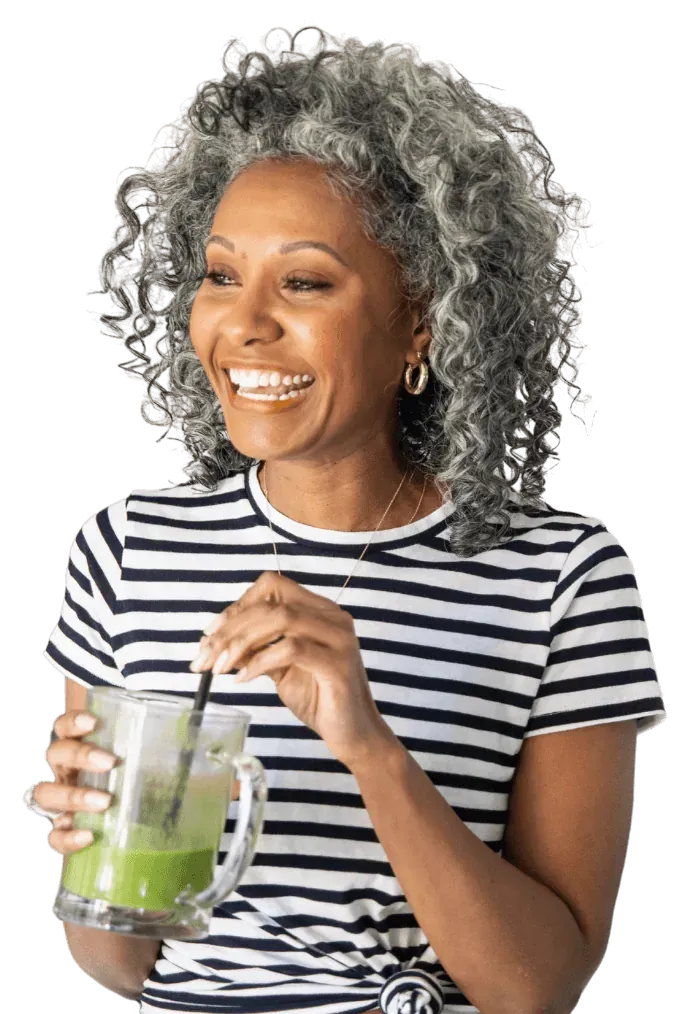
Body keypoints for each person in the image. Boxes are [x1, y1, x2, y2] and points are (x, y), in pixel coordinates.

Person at [32, 32, 665, 1014]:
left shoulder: (562, 578)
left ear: (423, 322)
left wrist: (367, 744)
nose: (245, 323)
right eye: (220, 275)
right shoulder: (127, 552)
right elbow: (121, 964)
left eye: (305, 282)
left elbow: (539, 987)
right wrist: (89, 850)